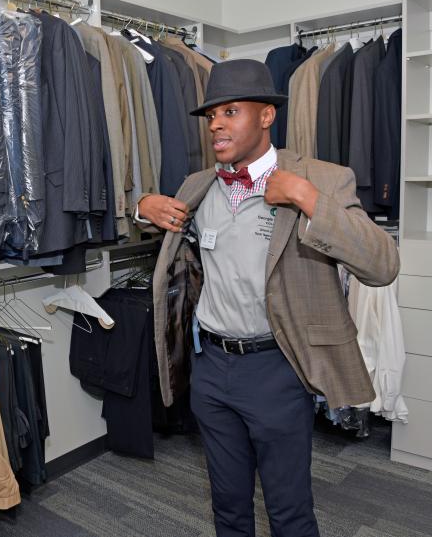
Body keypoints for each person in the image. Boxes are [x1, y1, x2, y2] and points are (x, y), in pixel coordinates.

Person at [136, 59, 400, 537]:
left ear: (266, 116)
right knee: (229, 505)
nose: (216, 123)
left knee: (289, 511)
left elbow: (382, 264)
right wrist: (140, 207)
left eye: (231, 111)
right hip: (211, 369)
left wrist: (306, 197)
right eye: (211, 115)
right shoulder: (198, 186)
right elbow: (176, 242)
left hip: (278, 368)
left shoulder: (323, 177)